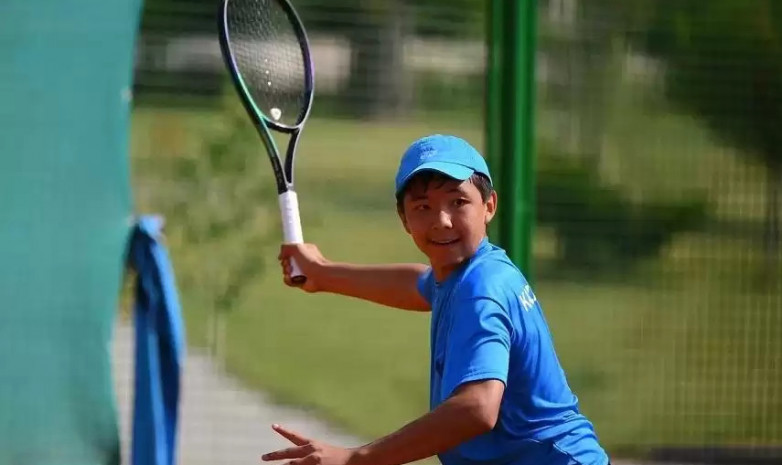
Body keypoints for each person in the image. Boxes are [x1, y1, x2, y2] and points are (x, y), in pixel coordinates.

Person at [261, 134, 610, 465]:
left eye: (458, 202)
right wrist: (322, 273)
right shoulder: (468, 272)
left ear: (489, 205)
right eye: (423, 207)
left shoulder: (481, 290)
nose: (441, 221)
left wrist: (358, 459)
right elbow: (418, 283)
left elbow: (476, 408)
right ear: (404, 219)